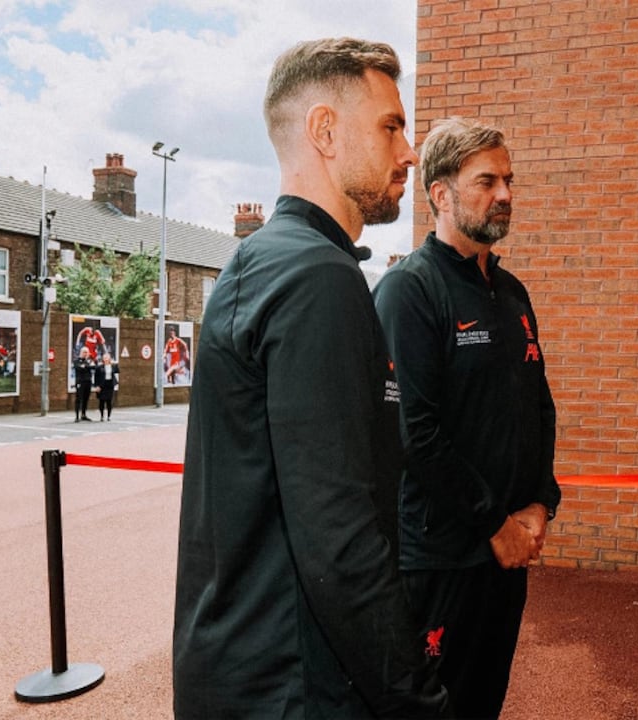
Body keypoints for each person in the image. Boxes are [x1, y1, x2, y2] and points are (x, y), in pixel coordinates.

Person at [173, 37, 449, 719]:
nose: (409, 151)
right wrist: (418, 701)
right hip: (293, 687)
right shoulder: (316, 279)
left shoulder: (265, 261)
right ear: (324, 131)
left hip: (240, 672)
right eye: (391, 126)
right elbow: (339, 537)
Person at [373, 117, 562, 719]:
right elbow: (416, 436)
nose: (505, 194)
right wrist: (494, 525)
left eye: (508, 180)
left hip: (507, 553)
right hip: (441, 560)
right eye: (487, 181)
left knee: (484, 702)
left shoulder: (512, 293)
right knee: (433, 709)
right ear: (441, 194)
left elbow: (539, 405)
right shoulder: (410, 290)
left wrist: (539, 503)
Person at [72, 345, 95, 422]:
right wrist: (86, 366)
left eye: (87, 352)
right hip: (80, 382)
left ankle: (83, 414)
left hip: (88, 382)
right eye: (84, 352)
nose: (86, 354)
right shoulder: (76, 361)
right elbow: (78, 368)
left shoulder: (89, 361)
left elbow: (93, 367)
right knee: (79, 399)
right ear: (81, 352)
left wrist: (85, 366)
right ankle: (77, 416)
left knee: (86, 399)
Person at [94, 352, 118, 421]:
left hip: (110, 385)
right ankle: (102, 416)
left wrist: (115, 364)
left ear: (110, 358)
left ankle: (109, 416)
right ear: (103, 359)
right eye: (105, 358)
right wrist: (97, 386)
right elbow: (96, 377)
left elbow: (117, 371)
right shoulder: (99, 367)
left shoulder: (112, 366)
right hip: (102, 385)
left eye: (107, 358)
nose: (106, 359)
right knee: (101, 401)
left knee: (109, 401)